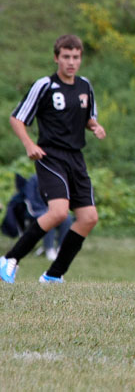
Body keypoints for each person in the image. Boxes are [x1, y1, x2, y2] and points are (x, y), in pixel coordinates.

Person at [0, 34, 106, 284]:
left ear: (80, 59)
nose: (71, 62)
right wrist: (29, 145)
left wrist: (95, 126)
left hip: (75, 158)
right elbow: (17, 118)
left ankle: (53, 275)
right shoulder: (44, 85)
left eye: (76, 57)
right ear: (56, 58)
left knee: (89, 218)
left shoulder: (85, 86)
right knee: (58, 212)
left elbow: (87, 117)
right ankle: (10, 260)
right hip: (50, 156)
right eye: (66, 57)